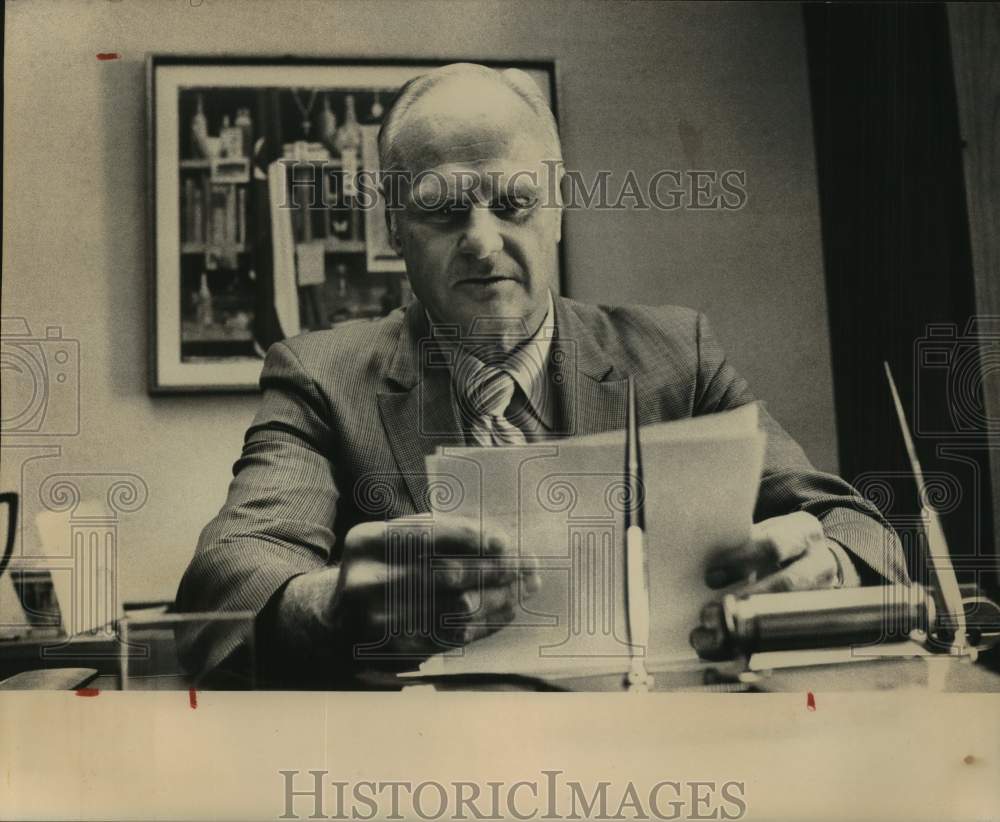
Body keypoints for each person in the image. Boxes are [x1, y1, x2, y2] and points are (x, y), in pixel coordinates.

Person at [175, 63, 908, 686]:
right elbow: (227, 584)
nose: (483, 241)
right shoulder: (321, 377)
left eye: (515, 202)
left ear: (556, 209)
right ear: (394, 226)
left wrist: (829, 570)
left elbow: (861, 532)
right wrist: (332, 604)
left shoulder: (677, 355)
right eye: (441, 209)